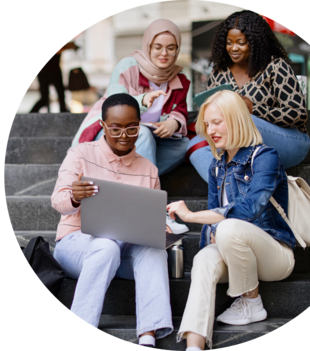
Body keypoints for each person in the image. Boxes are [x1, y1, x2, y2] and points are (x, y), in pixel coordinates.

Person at [167, 90, 296, 351]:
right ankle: (194, 346)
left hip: (275, 256)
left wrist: (192, 217)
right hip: (236, 255)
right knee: (203, 258)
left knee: (229, 226)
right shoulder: (216, 166)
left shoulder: (265, 156)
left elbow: (250, 209)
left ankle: (251, 301)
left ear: (237, 119)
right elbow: (217, 216)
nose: (210, 130)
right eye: (206, 124)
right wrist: (213, 229)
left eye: (217, 122)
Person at [52, 93, 174, 350]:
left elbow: (151, 215)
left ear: (140, 125)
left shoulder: (148, 169)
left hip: (122, 254)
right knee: (106, 245)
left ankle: (148, 336)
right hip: (77, 246)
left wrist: (159, 225)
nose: (124, 135)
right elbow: (58, 201)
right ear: (103, 125)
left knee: (153, 250)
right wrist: (74, 197)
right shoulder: (81, 154)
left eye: (132, 128)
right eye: (116, 128)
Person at [71, 19, 190, 234]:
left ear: (177, 50)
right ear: (148, 46)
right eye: (158, 47)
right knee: (142, 133)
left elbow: (180, 108)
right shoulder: (128, 66)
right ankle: (152, 209)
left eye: (171, 48)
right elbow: (115, 103)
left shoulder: (179, 77)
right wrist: (143, 100)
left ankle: (124, 180)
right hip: (113, 135)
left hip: (145, 143)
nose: (164, 53)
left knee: (185, 145)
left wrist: (174, 122)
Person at [187, 9, 310, 183]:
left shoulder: (275, 66)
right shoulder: (219, 73)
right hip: (236, 143)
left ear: (255, 42)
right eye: (229, 42)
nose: (233, 48)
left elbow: (299, 114)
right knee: (195, 147)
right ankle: (232, 189)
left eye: (241, 42)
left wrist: (253, 109)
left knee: (238, 119)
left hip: (288, 142)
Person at [30, 41, 78, 113]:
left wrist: (65, 47)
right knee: (49, 97)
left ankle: (32, 113)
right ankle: (32, 113)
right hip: (48, 72)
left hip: (47, 72)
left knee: (57, 96)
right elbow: (59, 50)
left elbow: (70, 46)